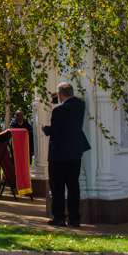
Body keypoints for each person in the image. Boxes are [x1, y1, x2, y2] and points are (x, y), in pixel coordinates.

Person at [43, 82, 91, 227]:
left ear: (59, 94)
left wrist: (45, 128)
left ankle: (58, 217)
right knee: (73, 186)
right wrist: (58, 98)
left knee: (58, 187)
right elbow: (72, 102)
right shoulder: (80, 106)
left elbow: (55, 130)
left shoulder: (58, 111)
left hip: (59, 154)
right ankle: (74, 218)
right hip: (75, 152)